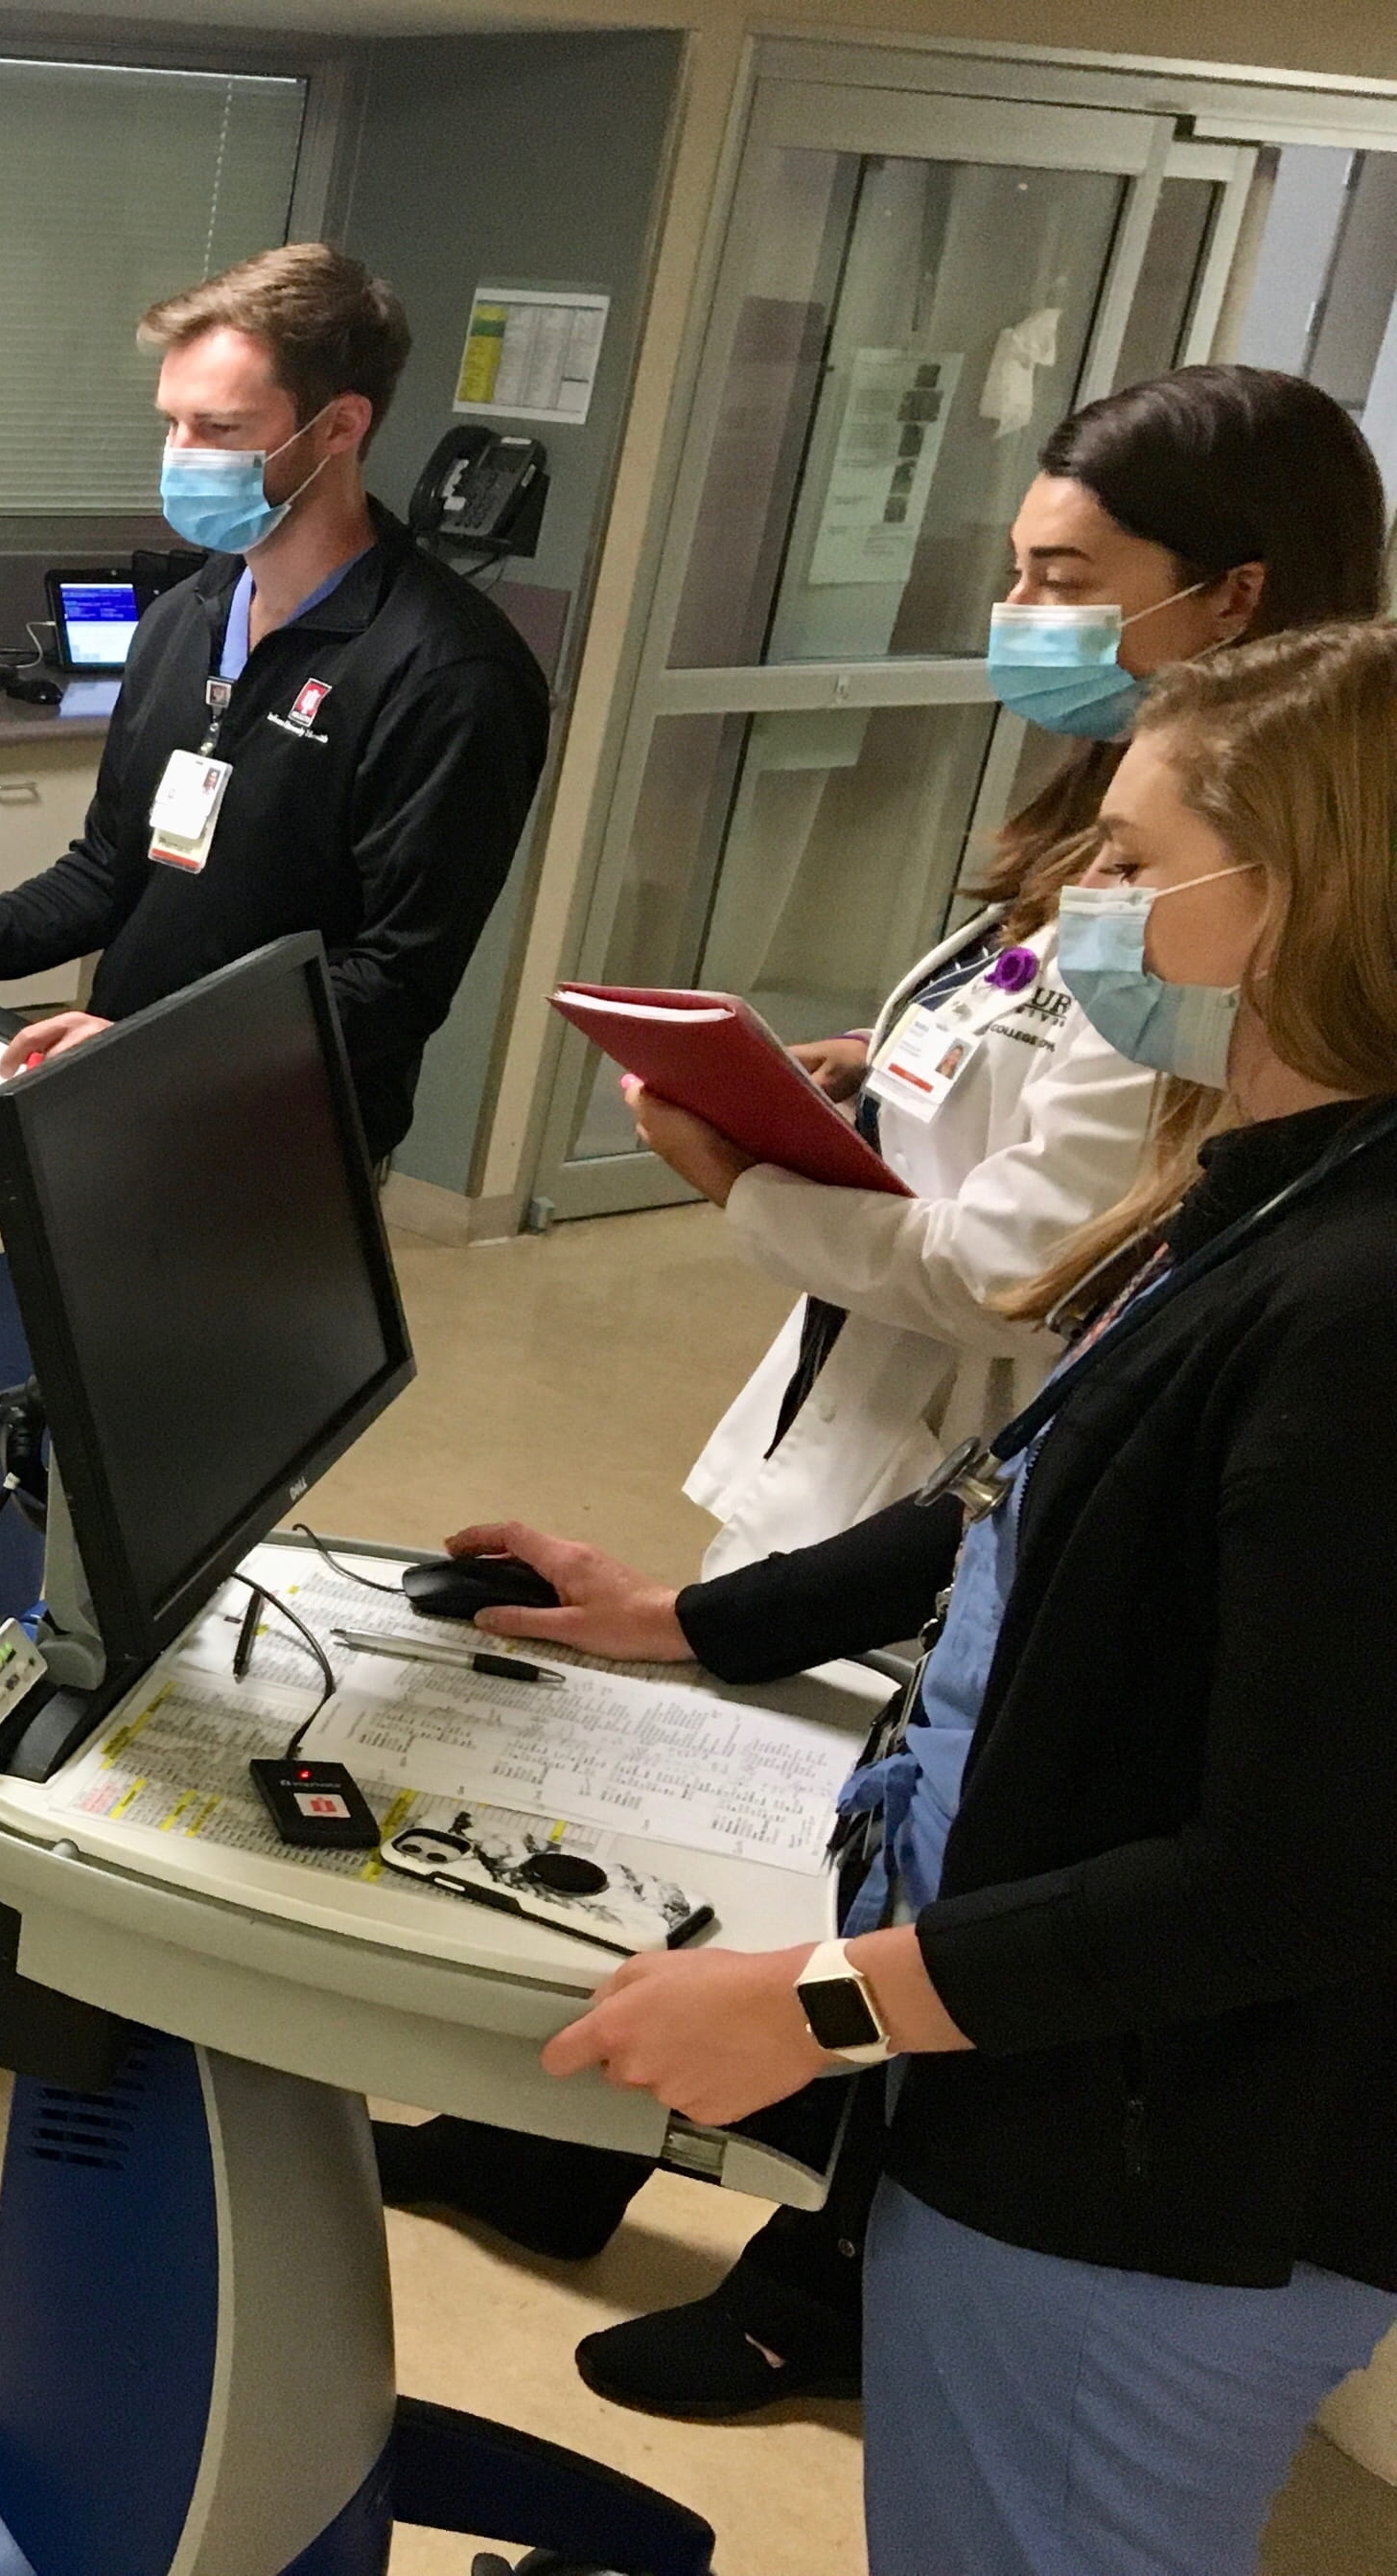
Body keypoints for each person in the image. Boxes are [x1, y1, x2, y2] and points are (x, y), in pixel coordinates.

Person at [381, 364, 1390, 2420]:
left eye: (1136, 867)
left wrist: (828, 2005)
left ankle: (808, 2264)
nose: (1085, 911)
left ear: (1298, 896)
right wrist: (688, 1618)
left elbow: (1292, 1864)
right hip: (1022, 2059)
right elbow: (1014, 1487)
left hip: (1142, 2195)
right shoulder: (1245, 1186)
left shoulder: (1352, 1302)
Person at [0, 243, 553, 1872]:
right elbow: (103, 880)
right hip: (114, 1129)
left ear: (335, 425)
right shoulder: (195, 613)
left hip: (274, 1155)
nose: (186, 457)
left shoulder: (446, 670)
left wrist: (147, 1043)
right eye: (171, 422)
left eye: (220, 425)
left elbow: (395, 978)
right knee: (31, 1445)